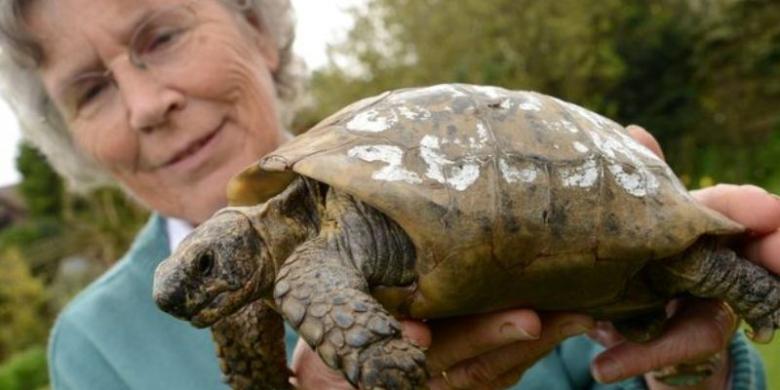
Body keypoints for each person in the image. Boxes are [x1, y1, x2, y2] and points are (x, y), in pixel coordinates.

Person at [0, 0, 776, 388]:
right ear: (69, 135)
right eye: (90, 89)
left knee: (686, 264)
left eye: (163, 35)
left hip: (569, 220)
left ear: (259, 30)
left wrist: (692, 366)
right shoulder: (92, 351)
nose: (146, 105)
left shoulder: (312, 252)